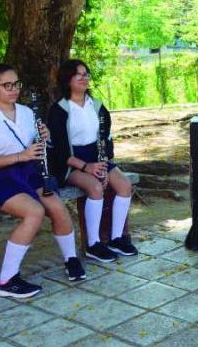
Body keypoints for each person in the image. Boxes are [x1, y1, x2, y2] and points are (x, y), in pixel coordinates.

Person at [0, 63, 86, 299]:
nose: (14, 89)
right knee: (34, 212)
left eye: (16, 84)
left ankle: (71, 260)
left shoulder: (27, 112)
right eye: (7, 85)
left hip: (28, 172)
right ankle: (6, 280)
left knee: (58, 207)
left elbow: (34, 146)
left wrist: (45, 138)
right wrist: (21, 155)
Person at [46, 59, 138, 262]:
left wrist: (103, 166)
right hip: (71, 162)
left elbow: (106, 139)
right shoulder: (59, 110)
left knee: (124, 185)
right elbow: (59, 153)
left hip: (97, 158)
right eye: (78, 74)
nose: (84, 78)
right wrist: (86, 167)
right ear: (67, 79)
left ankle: (115, 239)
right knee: (96, 188)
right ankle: (93, 244)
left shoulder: (96, 106)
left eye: (86, 74)